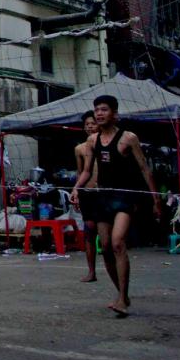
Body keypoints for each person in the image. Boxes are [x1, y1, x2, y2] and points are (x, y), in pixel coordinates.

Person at [71, 95, 162, 317]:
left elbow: (144, 168)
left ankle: (122, 298)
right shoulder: (92, 141)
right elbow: (86, 170)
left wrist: (155, 199)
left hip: (125, 196)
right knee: (105, 246)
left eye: (104, 110)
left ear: (115, 113)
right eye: (96, 110)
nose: (99, 114)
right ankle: (122, 294)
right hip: (103, 196)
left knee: (117, 242)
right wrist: (76, 189)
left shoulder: (128, 138)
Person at [73, 110, 100, 283]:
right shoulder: (80, 148)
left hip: (105, 193)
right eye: (87, 124)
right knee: (89, 230)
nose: (90, 126)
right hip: (88, 193)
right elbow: (81, 171)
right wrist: (77, 191)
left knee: (108, 236)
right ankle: (91, 271)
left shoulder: (108, 144)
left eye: (93, 123)